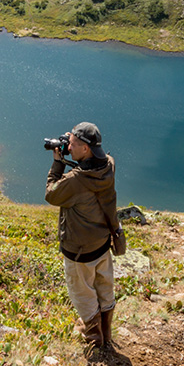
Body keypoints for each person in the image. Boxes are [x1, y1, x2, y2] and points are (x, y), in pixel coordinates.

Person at [45, 121, 119, 349]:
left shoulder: (76, 181)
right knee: (104, 286)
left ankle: (94, 336)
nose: (69, 147)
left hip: (79, 248)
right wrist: (74, 142)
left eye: (74, 144)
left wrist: (58, 163)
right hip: (102, 242)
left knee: (82, 291)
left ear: (86, 149)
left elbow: (51, 194)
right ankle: (106, 331)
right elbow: (90, 160)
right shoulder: (108, 165)